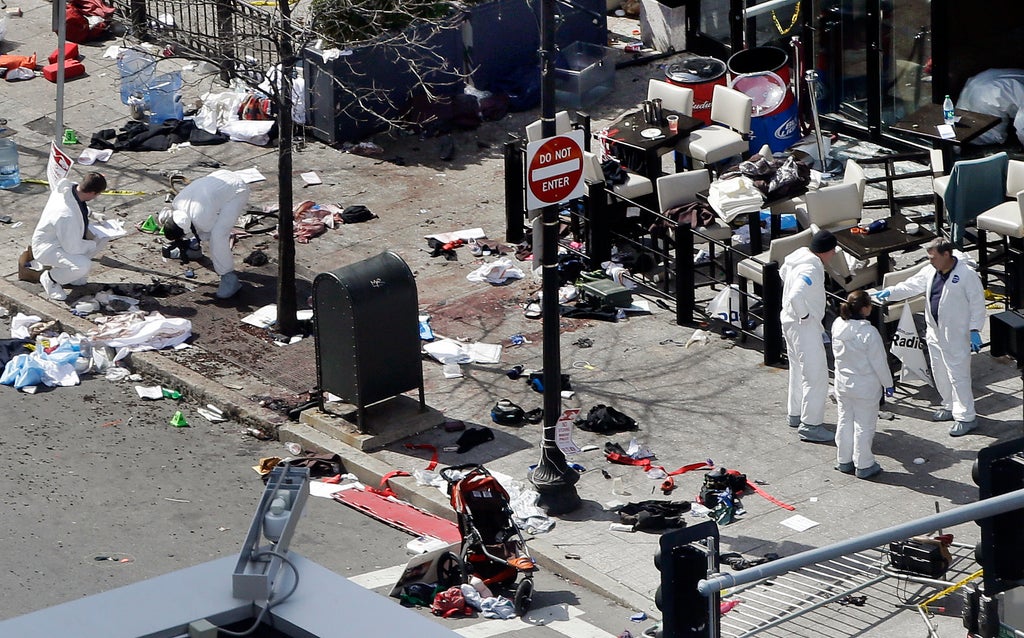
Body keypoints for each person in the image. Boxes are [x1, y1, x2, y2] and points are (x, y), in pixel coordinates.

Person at [873, 237, 986, 436]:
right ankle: (949, 405)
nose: (930, 260)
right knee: (939, 371)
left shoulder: (967, 275)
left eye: (933, 257)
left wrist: (975, 330)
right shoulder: (930, 270)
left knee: (958, 376)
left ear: (946, 254)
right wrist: (890, 292)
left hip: (956, 336)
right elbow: (911, 285)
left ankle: (966, 417)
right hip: (935, 332)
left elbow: (978, 304)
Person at [779, 229, 837, 443]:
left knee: (797, 370)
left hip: (788, 322)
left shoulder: (797, 256)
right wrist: (805, 315)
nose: (834, 254)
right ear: (826, 251)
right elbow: (796, 295)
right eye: (833, 251)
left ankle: (795, 414)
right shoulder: (811, 267)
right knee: (816, 377)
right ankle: (811, 425)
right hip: (805, 326)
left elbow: (783, 273)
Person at [158, 170, 251, 299]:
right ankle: (193, 249)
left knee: (218, 235)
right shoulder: (177, 203)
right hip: (222, 176)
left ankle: (229, 277)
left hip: (237, 190)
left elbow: (207, 234)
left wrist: (187, 239)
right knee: (199, 228)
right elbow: (191, 227)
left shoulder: (202, 218)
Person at [832, 290, 894, 479]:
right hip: (865, 386)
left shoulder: (837, 325)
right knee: (864, 425)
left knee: (845, 419)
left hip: (842, 383)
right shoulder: (869, 333)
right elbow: (879, 363)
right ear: (865, 309)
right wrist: (888, 384)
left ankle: (844, 459)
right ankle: (864, 464)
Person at [31, 172, 108, 301]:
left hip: (60, 239)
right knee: (83, 265)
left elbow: (78, 206)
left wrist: (92, 214)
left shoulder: (70, 189)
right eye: (97, 194)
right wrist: (92, 243)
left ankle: (70, 275)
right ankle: (50, 278)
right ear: (92, 193)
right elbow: (72, 248)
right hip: (48, 249)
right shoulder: (66, 216)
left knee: (101, 239)